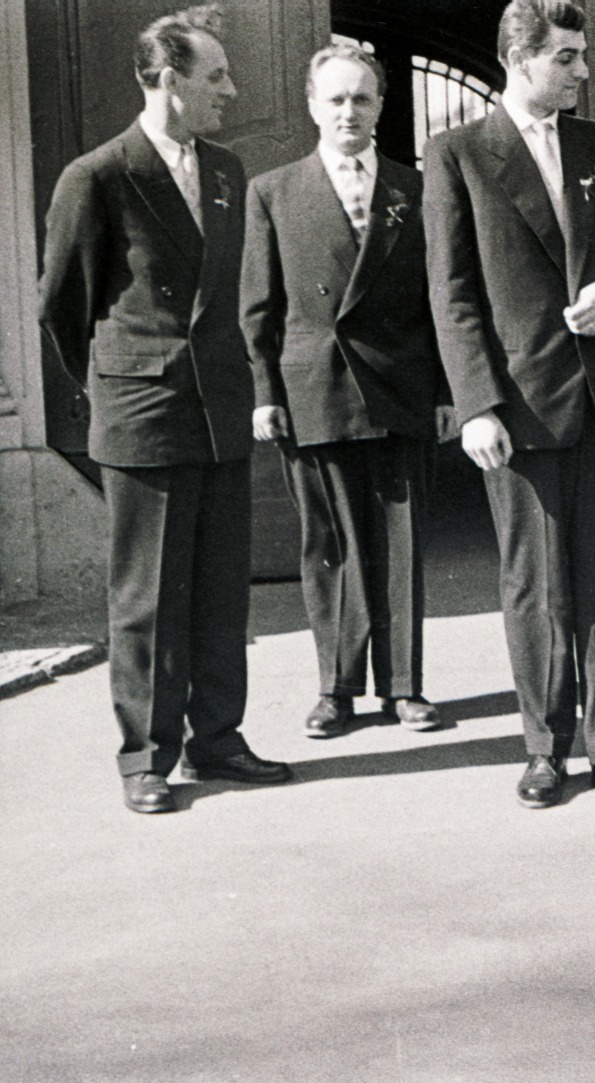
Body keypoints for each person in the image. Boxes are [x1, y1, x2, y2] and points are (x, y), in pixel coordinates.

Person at [423, 0, 595, 809]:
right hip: (519, 407)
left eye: (580, 56)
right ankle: (545, 748)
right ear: (518, 57)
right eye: (565, 57)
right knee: (535, 585)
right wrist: (475, 407)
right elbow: (451, 293)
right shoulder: (458, 154)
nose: (582, 71)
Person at [38, 4, 292, 814]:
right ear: (167, 80)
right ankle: (145, 755)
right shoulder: (98, 175)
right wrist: (116, 388)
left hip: (218, 409)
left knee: (221, 589)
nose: (231, 89)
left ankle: (218, 739)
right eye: (215, 76)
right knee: (147, 595)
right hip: (142, 415)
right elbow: (63, 305)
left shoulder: (224, 171)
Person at [240, 45, 454, 740]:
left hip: (400, 383)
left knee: (401, 539)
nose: (348, 112)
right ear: (311, 106)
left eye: (361, 98)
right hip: (316, 386)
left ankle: (405, 684)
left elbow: (442, 298)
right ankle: (335, 687)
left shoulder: (413, 189)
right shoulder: (273, 192)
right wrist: (265, 392)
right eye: (334, 99)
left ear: (381, 106)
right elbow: (258, 308)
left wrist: (448, 390)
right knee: (329, 543)